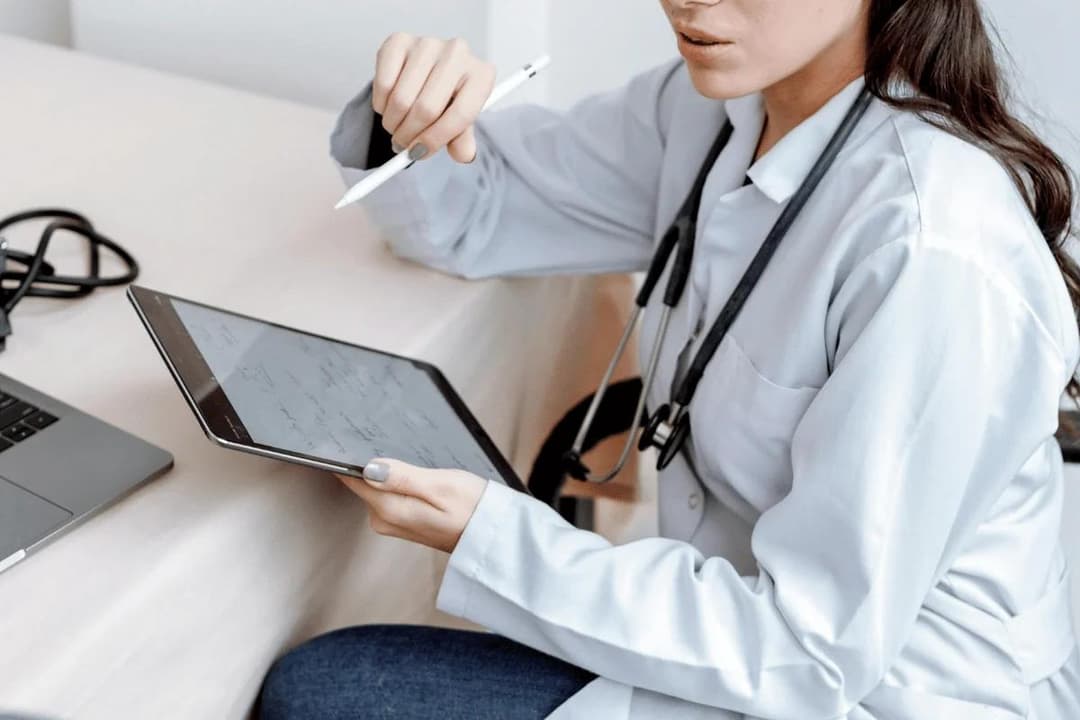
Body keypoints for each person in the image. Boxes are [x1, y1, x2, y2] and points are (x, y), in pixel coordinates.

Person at [258, 0, 1080, 718]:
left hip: (873, 695)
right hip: (729, 638)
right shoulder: (716, 110)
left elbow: (812, 653)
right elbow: (479, 210)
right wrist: (407, 113)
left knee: (329, 690)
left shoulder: (932, 251)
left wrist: (496, 538)